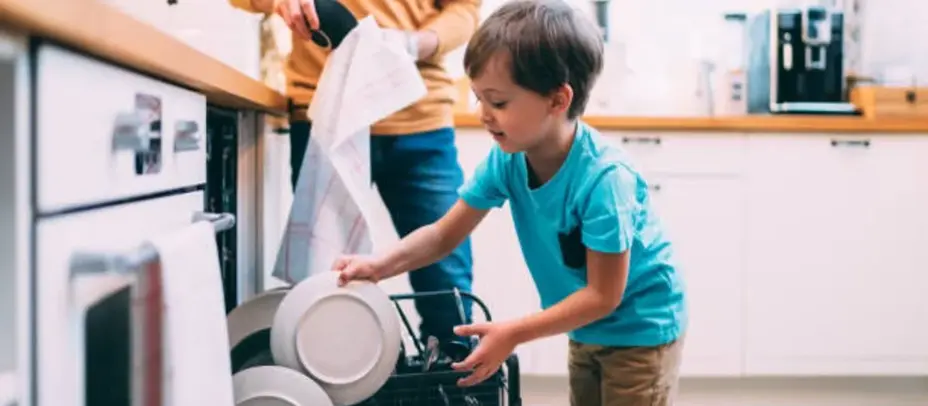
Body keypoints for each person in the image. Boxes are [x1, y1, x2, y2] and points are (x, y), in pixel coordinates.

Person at [333, 0, 688, 403]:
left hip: (640, 329)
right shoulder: (509, 160)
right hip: (587, 326)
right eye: (478, 98)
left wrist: (514, 332)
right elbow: (441, 236)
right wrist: (378, 266)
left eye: (498, 102)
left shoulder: (605, 182)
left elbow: (604, 295)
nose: (483, 114)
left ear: (558, 101)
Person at [226, 0, 480, 344]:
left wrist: (416, 42)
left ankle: (453, 387)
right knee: (322, 285)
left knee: (447, 292)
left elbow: (464, 9)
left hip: (420, 117)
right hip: (325, 113)